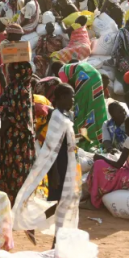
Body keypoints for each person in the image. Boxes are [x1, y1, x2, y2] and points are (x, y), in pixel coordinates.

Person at [12, 83, 81, 245]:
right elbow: (51, 145)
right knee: (62, 202)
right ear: (61, 98)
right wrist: (55, 172)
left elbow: (64, 141)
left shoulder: (66, 116)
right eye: (70, 96)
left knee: (64, 202)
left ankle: (52, 238)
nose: (73, 100)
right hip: (59, 165)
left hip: (67, 163)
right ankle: (51, 238)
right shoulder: (56, 116)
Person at [0, 62, 36, 204]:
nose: (9, 74)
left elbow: (10, 118)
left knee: (12, 169)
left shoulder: (18, 89)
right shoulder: (25, 87)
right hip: (23, 137)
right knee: (20, 170)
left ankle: (12, 203)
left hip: (14, 137)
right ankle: (19, 203)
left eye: (10, 72)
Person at [58, 61, 108, 150]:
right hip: (96, 77)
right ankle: (101, 137)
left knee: (80, 110)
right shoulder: (77, 66)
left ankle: (81, 137)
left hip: (84, 79)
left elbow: (67, 89)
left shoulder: (61, 72)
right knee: (96, 106)